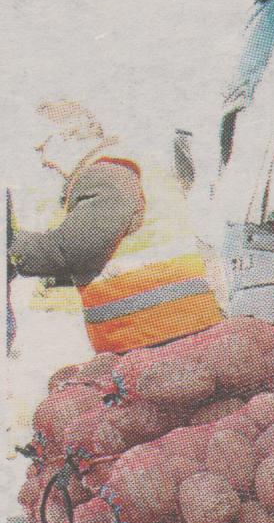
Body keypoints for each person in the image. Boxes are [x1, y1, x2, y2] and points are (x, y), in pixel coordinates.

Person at [7, 99, 223, 359]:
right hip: (173, 323)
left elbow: (72, 249)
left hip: (157, 331)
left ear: (66, 137)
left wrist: (9, 245)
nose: (44, 162)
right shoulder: (125, 166)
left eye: (43, 149)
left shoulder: (107, 174)